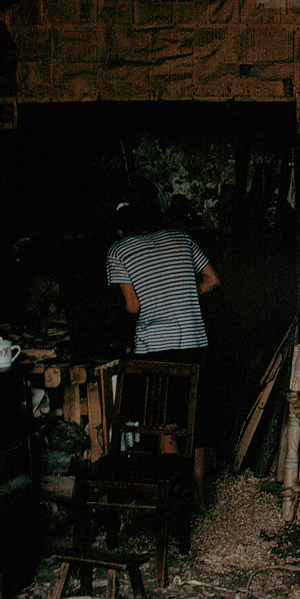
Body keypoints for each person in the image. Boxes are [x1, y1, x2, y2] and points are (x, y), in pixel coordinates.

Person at [106, 197, 220, 488]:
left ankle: (173, 492)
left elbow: (132, 307)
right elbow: (212, 280)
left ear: (121, 229)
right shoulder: (183, 238)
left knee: (163, 419)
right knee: (196, 417)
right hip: (194, 339)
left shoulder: (118, 251)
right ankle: (197, 493)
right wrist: (183, 295)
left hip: (155, 346)